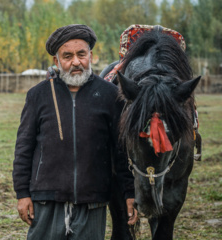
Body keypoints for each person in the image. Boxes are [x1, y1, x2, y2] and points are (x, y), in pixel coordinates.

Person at [13, 24, 138, 239]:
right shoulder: (38, 95)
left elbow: (121, 151)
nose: (76, 62)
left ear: (91, 56)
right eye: (67, 56)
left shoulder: (110, 95)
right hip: (46, 199)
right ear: (57, 61)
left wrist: (129, 192)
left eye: (81, 54)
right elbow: (24, 147)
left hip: (93, 200)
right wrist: (22, 194)